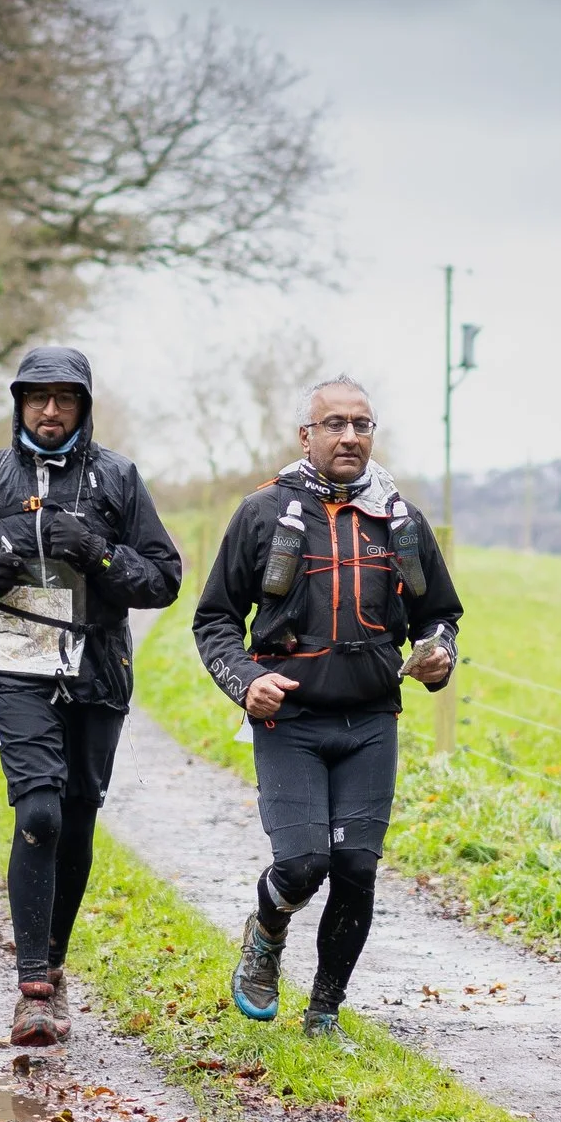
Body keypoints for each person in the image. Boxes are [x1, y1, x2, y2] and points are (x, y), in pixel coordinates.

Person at [0, 347, 183, 1045]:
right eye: (37, 396)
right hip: (16, 665)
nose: (50, 409)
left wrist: (97, 550)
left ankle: (56, 967)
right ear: (19, 402)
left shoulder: (118, 478)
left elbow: (163, 580)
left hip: (98, 668)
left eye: (65, 397)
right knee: (37, 809)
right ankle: (32, 989)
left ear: (84, 405)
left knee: (75, 817)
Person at [192, 376, 461, 1035]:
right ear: (305, 436)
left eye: (362, 424)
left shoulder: (400, 519)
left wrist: (438, 656)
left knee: (356, 868)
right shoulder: (262, 513)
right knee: (304, 862)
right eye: (335, 423)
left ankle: (323, 1014)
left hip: (371, 720)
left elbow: (441, 617)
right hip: (291, 719)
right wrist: (245, 681)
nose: (349, 435)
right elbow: (215, 620)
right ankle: (267, 928)